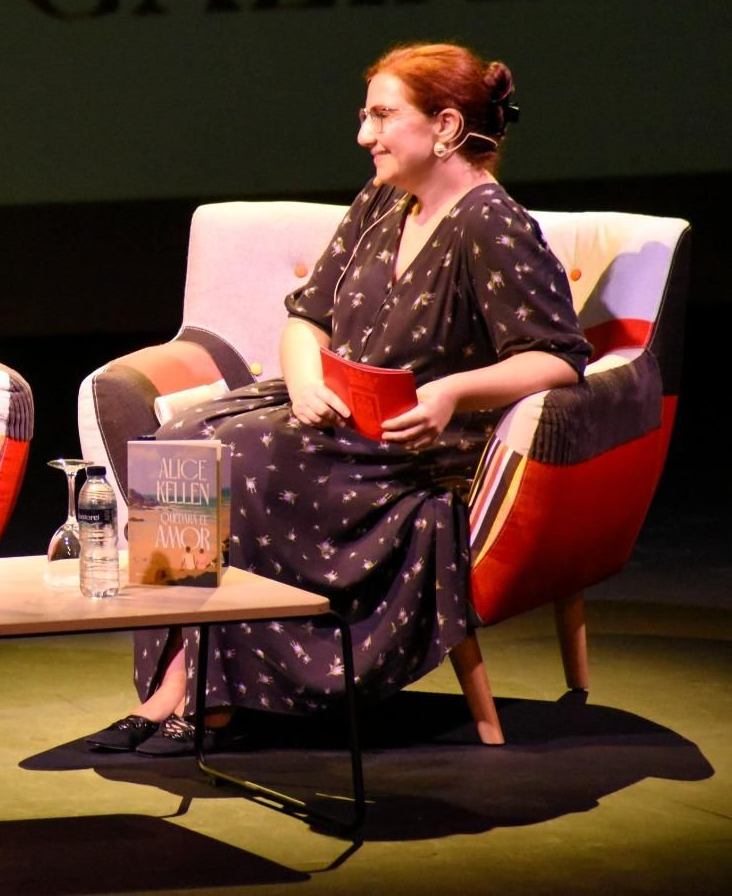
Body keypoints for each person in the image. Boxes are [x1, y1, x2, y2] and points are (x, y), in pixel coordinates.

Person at [86, 43, 592, 755]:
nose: (366, 136)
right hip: (334, 411)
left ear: (445, 126)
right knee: (178, 446)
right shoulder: (383, 200)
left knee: (241, 459)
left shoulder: (491, 224)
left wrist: (450, 391)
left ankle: (212, 696)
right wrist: (303, 379)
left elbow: (558, 359)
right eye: (366, 116)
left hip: (408, 446)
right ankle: (178, 676)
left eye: (383, 116)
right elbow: (307, 314)